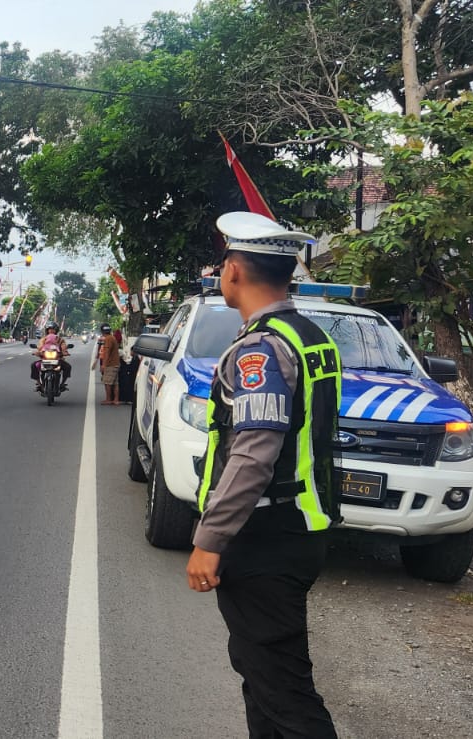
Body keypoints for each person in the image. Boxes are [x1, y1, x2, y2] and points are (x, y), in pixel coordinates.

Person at [186, 211, 342, 738]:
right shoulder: (309, 335)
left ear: (232, 270)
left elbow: (254, 451)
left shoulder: (260, 350)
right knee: (262, 677)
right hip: (299, 525)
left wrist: (210, 538)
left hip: (266, 537)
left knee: (286, 694)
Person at [29, 326, 71, 392]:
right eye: (50, 329)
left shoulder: (60, 339)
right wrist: (38, 352)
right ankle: (39, 384)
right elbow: (40, 347)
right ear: (47, 331)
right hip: (45, 359)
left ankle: (62, 383)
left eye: (53, 329)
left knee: (68, 367)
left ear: (56, 331)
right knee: (33, 365)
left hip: (57, 359)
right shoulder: (43, 339)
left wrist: (64, 352)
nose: (51, 331)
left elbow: (63, 347)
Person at [93, 324, 122, 405]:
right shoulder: (112, 338)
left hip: (111, 364)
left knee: (107, 382)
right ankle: (116, 400)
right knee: (115, 383)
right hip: (116, 363)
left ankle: (109, 399)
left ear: (102, 332)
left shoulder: (108, 339)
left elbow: (107, 353)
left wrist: (104, 365)